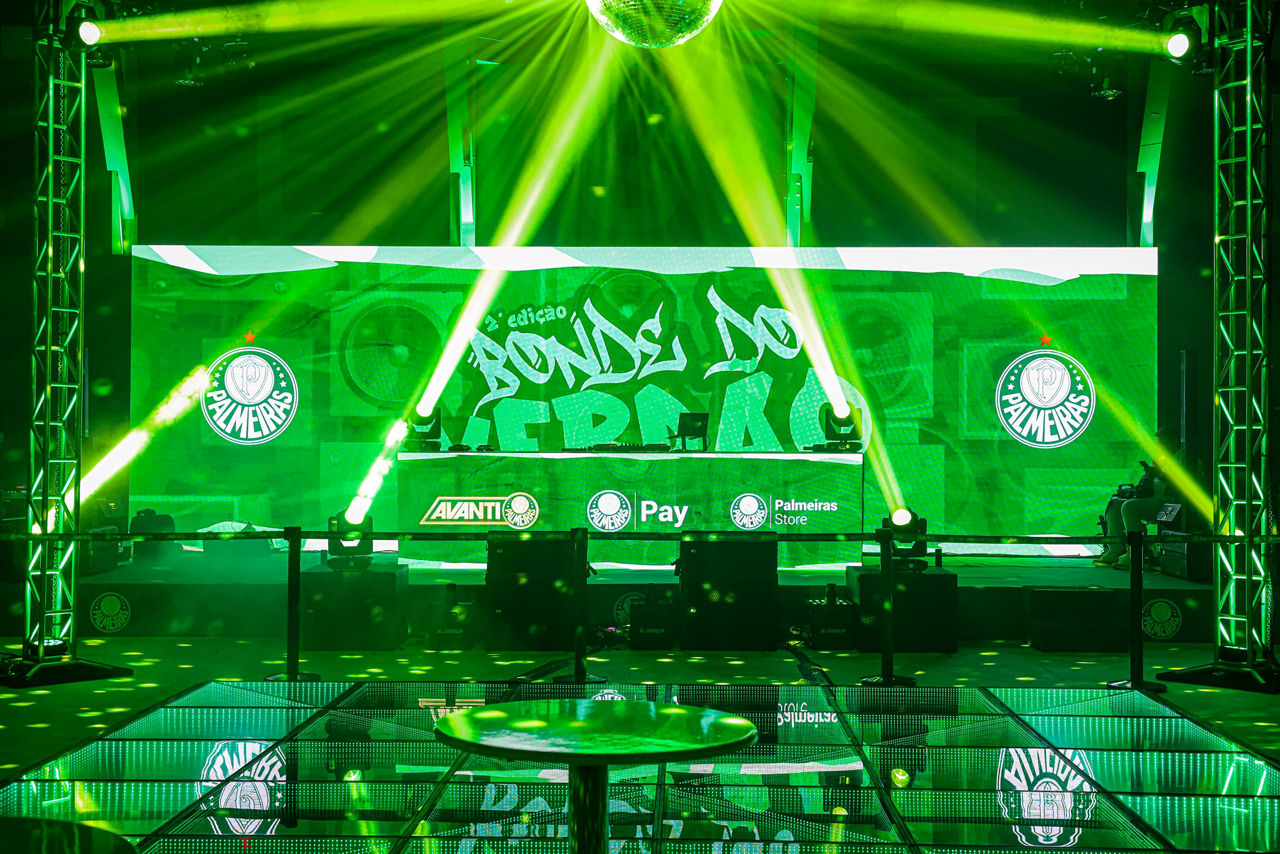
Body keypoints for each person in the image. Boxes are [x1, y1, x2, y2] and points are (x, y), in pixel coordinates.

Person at [1094, 428, 1179, 569]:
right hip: (1154, 499)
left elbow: (1184, 487)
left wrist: (1160, 474)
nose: (1160, 447)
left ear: (1174, 441)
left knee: (1130, 507)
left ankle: (1134, 554)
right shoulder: (1160, 459)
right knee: (1115, 505)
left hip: (1172, 505)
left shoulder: (1184, 457)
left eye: (1163, 443)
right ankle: (1116, 550)